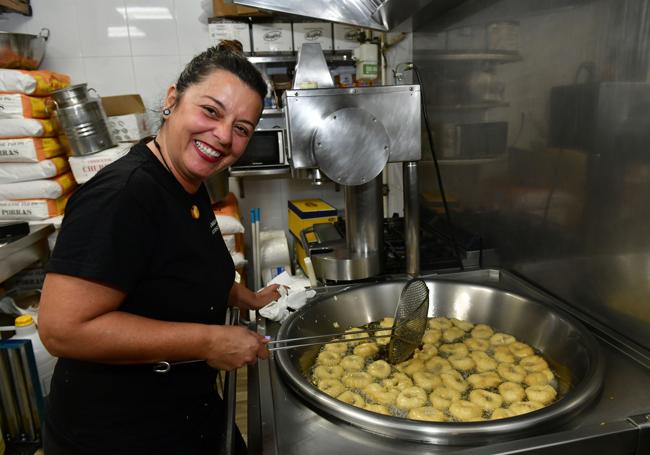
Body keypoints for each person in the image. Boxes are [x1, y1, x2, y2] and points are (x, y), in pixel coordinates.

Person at [38, 42, 280, 454]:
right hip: (118, 432)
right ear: (172, 100)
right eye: (211, 111)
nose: (222, 136)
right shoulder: (123, 196)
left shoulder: (186, 181)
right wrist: (210, 341)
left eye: (241, 128)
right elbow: (62, 330)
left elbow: (185, 265)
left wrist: (246, 297)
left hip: (184, 410)